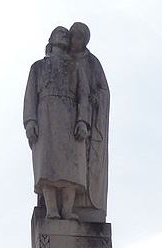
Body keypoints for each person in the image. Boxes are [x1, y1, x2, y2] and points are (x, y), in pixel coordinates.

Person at [23, 26, 91, 220]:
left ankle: (68, 210)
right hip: (46, 118)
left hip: (70, 118)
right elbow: (30, 98)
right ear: (51, 40)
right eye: (58, 32)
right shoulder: (37, 67)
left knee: (71, 167)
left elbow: (83, 96)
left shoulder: (75, 67)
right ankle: (52, 210)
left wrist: (83, 121)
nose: (62, 34)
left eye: (65, 33)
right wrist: (30, 121)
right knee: (47, 164)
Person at [68, 22, 109, 218]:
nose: (74, 41)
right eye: (72, 36)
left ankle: (85, 202)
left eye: (78, 37)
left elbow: (104, 91)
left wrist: (93, 101)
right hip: (67, 122)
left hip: (89, 122)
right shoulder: (63, 61)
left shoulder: (92, 63)